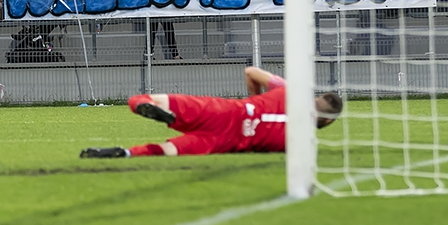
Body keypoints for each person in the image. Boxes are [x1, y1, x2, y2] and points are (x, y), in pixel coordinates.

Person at [81, 67, 343, 158]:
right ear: (327, 121)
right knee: (170, 150)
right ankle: (126, 153)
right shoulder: (297, 143)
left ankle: (146, 107)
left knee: (139, 99)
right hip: (225, 141)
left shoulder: (291, 90)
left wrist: (258, 100)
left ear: (316, 97)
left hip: (223, 111)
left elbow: (250, 71)